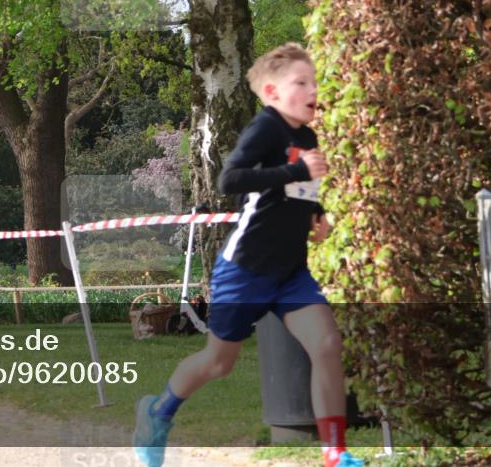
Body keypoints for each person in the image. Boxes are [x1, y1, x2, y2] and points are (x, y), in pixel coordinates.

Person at [133, 43, 363, 467]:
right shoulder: (267, 128)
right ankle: (157, 411)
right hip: (245, 270)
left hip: (290, 273)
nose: (313, 89)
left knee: (327, 344)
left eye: (314, 80)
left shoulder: (306, 136)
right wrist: (298, 171)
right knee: (218, 362)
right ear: (273, 92)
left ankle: (335, 452)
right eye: (302, 82)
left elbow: (295, 193)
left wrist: (317, 215)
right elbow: (230, 179)